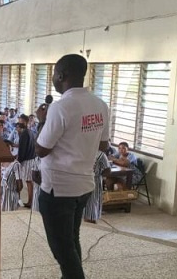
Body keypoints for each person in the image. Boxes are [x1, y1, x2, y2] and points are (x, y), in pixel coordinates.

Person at [35, 54, 109, 279]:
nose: (54, 80)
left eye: (54, 75)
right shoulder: (100, 104)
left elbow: (41, 149)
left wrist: (41, 121)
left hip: (59, 189)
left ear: (61, 75)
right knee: (71, 238)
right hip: (84, 185)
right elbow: (103, 145)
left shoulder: (60, 107)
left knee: (62, 249)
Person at [83, 151, 111, 223]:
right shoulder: (83, 151)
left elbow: (108, 170)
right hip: (84, 178)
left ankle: (91, 217)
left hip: (94, 179)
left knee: (93, 199)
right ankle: (86, 216)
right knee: (86, 199)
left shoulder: (101, 155)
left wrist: (98, 175)